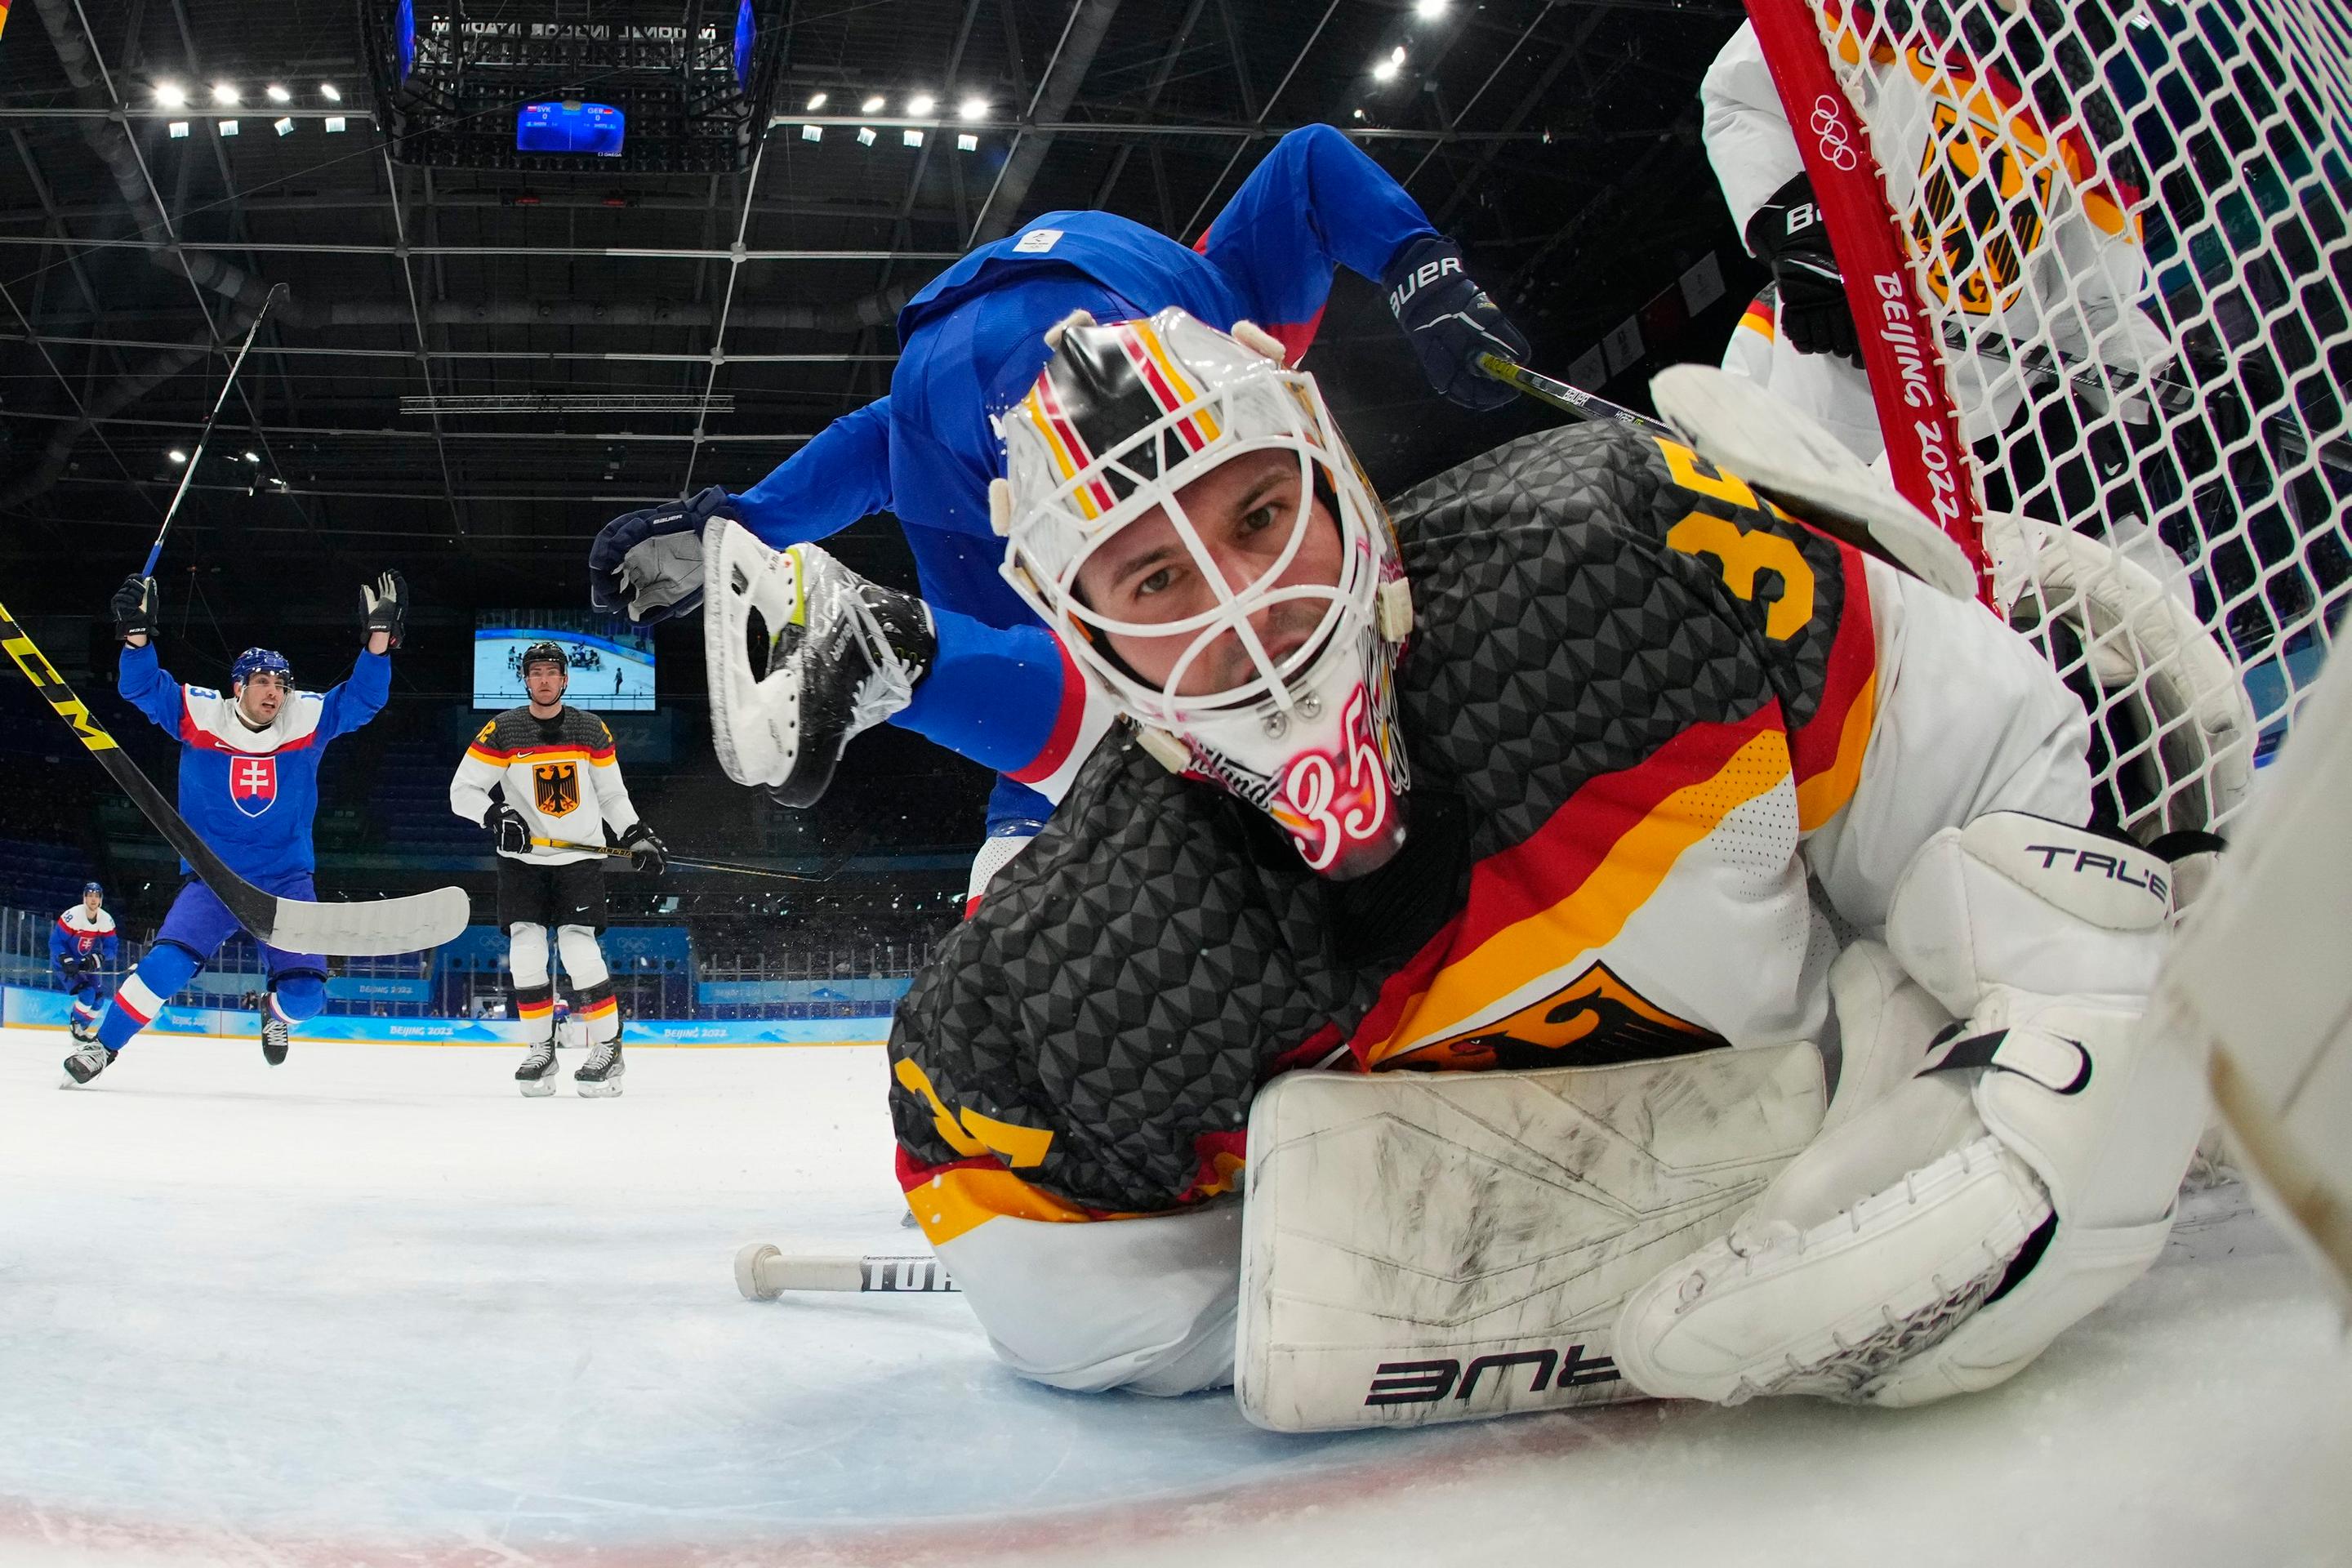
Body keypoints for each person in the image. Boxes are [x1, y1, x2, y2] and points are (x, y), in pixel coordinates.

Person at [872, 309, 2207, 1417]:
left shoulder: (1624, 568)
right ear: (1084, 638)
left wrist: (2031, 1034)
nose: (1247, 605)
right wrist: (1595, 1275)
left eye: (1261, 514)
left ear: (1339, 478)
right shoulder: (1074, 968)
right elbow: (1064, 1290)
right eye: (1155, 581)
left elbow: (1999, 781)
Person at [589, 123, 1530, 885]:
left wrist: (737, 522)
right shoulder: (1212, 312)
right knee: (1146, 665)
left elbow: (884, 442)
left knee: (1079, 685)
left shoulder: (1227, 282)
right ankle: (914, 673)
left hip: (953, 377)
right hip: (1054, 352)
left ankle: (923, 692)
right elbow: (1314, 164)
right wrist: (1420, 265)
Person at [63, 572, 408, 1085]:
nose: (277, 691)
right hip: (214, 879)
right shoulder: (200, 715)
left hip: (286, 882)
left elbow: (362, 700)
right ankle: (102, 1048)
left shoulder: (306, 719)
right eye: (265, 681)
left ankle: (274, 1012)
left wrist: (378, 644)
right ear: (239, 686)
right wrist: (136, 637)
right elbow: (139, 686)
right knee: (164, 968)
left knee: (306, 999)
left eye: (282, 682)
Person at [449, 639, 666, 1097]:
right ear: (525, 680)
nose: (544, 680)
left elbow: (611, 795)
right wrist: (496, 816)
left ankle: (608, 1049)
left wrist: (635, 835)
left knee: (577, 948)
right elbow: (463, 790)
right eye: (536, 673)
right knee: (526, 950)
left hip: (580, 858)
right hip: (522, 862)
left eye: (552, 672)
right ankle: (539, 1049)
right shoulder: (502, 730)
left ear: (565, 680)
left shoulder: (590, 729)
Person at [51, 880, 118, 1045]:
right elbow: (55, 942)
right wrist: (64, 959)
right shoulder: (73, 916)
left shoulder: (105, 919)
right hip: (65, 964)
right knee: (88, 994)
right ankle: (75, 1027)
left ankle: (81, 1029)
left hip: (84, 963)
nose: (93, 900)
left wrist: (99, 958)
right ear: (84, 898)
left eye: (96, 896)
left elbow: (112, 946)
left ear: (101, 899)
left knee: (99, 1000)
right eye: (90, 896)